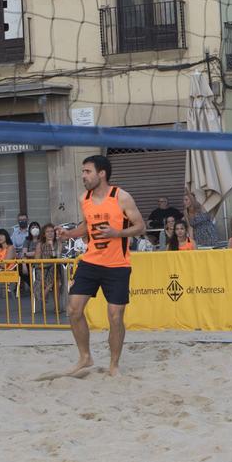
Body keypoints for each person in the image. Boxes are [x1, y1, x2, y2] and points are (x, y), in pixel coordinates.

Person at [56, 155, 146, 377]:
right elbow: (86, 227)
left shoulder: (121, 197)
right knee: (73, 310)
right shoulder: (84, 199)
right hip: (91, 261)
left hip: (117, 265)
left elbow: (140, 226)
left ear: (102, 173)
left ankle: (114, 365)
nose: (83, 176)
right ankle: (85, 357)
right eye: (83, 172)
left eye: (87, 172)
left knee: (115, 316)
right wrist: (68, 234)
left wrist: (118, 233)